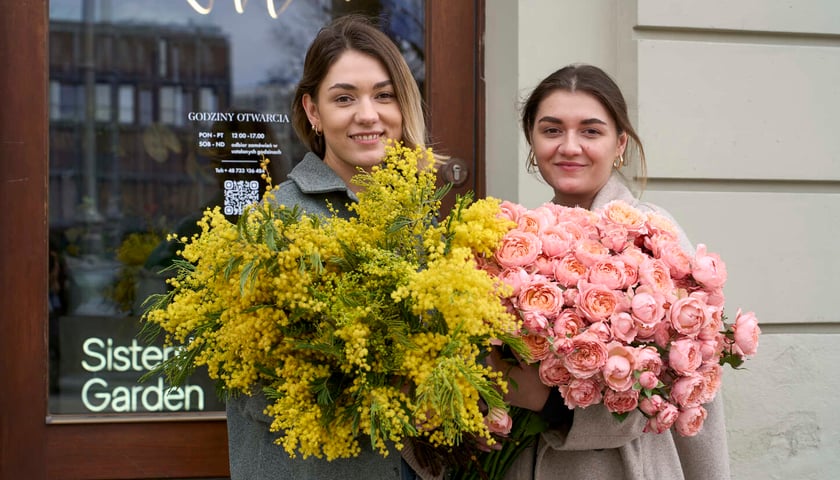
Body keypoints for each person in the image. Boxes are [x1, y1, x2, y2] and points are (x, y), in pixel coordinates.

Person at [488, 64, 731, 479]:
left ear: (619, 143)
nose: (569, 146)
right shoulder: (513, 241)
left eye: (590, 131)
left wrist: (546, 403)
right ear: (532, 141)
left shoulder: (653, 236)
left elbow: (687, 388)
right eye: (551, 130)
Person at [225, 15, 429, 480]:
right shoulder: (273, 222)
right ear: (313, 112)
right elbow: (253, 387)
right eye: (343, 98)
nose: (368, 115)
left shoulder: (421, 219)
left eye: (384, 94)